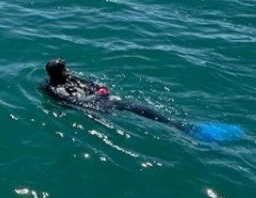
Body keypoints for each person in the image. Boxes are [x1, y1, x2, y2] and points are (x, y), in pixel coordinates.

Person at [40, 59, 245, 142]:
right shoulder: (52, 88)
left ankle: (182, 128)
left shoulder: (70, 78)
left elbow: (91, 83)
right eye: (65, 68)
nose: (68, 69)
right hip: (95, 106)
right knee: (134, 108)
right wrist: (97, 97)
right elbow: (73, 102)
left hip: (101, 100)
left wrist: (99, 88)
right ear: (60, 71)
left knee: (137, 107)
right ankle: (186, 130)